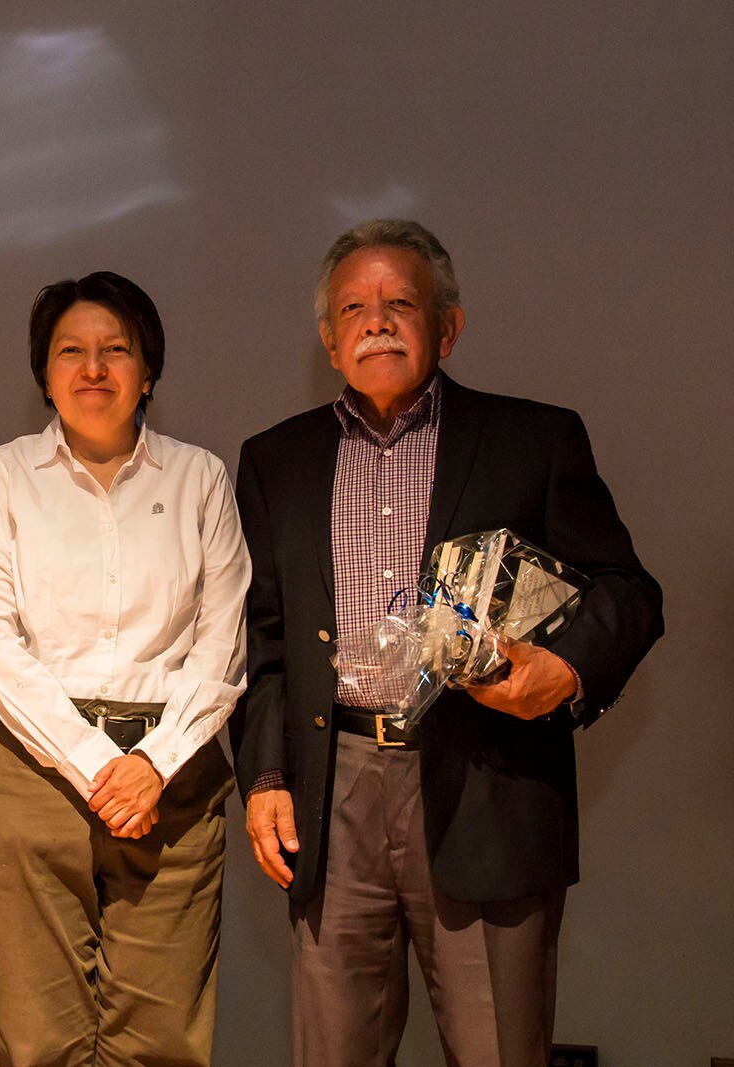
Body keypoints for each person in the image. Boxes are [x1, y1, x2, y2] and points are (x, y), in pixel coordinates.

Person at [231, 219, 663, 1067]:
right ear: (328, 339)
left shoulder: (533, 441)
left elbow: (629, 592)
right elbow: (266, 640)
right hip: (333, 794)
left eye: (402, 302)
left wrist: (566, 668)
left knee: (500, 1049)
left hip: (488, 783)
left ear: (448, 326)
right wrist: (268, 775)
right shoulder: (275, 460)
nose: (377, 321)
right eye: (354, 307)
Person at [0, 272, 249, 1065]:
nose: (93, 369)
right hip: (30, 774)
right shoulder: (1, 476)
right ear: (43, 375)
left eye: (115, 351)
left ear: (147, 370)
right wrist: (95, 763)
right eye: (70, 352)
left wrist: (151, 763)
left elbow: (222, 643)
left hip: (174, 780)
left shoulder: (201, 478)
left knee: (161, 1041)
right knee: (35, 1037)